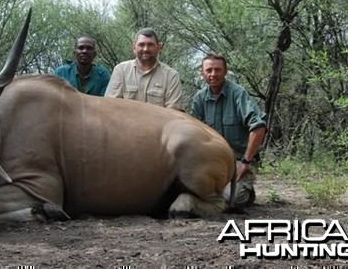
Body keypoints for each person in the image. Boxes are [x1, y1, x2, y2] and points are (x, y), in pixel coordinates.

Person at [190, 52, 267, 207]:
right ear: (202, 72)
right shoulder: (199, 98)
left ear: (225, 71)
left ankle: (244, 190)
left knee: (232, 200)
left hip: (238, 160)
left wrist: (246, 162)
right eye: (209, 70)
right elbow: (193, 133)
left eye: (218, 70)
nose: (213, 74)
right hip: (212, 161)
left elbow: (258, 127)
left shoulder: (238, 94)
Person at [105, 28, 183, 110]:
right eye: (141, 45)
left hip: (157, 122)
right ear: (134, 48)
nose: (145, 49)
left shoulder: (171, 76)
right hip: (124, 122)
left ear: (159, 47)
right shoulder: (121, 70)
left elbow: (174, 112)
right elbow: (111, 106)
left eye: (150, 45)